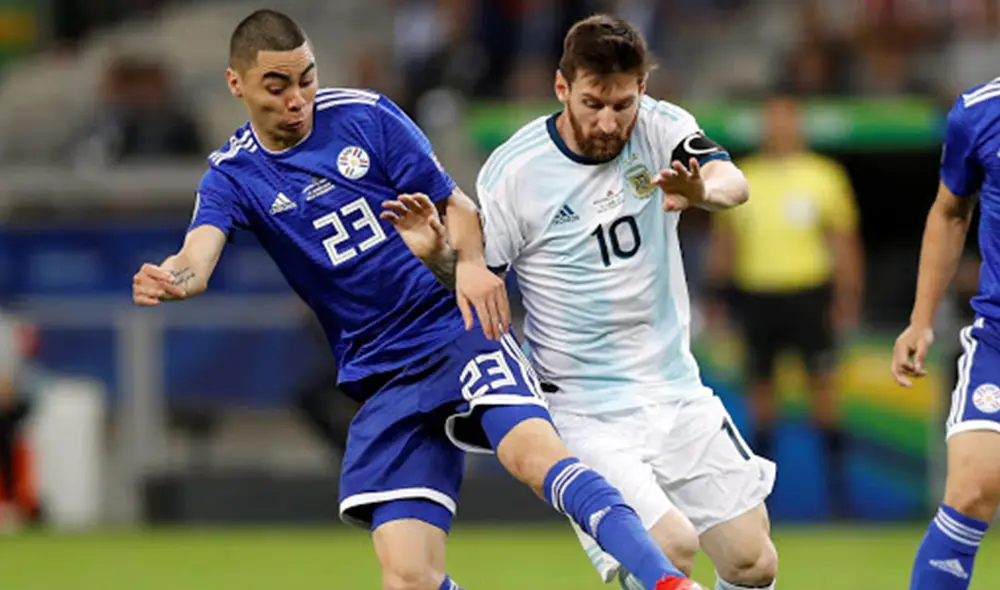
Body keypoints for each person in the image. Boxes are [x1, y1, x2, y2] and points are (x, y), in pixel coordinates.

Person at [130, 9, 701, 590]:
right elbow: (196, 257)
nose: (298, 98)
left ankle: (666, 582)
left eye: (306, 78)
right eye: (277, 86)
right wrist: (174, 278)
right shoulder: (233, 174)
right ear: (237, 85)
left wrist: (472, 266)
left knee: (534, 458)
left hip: (451, 328)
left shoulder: (365, 116)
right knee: (408, 577)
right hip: (380, 374)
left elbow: (456, 205)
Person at [476, 14, 777, 590]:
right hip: (585, 409)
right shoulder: (514, 172)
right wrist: (447, 258)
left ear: (642, 88)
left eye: (623, 104)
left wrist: (702, 191)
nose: (609, 122)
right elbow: (479, 273)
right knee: (670, 547)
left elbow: (732, 182)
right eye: (593, 104)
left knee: (752, 562)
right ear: (562, 88)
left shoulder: (662, 128)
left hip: (675, 391)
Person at [705, 95, 863, 519]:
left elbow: (843, 242)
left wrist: (846, 301)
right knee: (761, 406)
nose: (779, 129)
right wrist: (716, 301)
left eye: (786, 121)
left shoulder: (823, 175)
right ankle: (761, 507)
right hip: (757, 299)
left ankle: (841, 501)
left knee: (825, 401)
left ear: (798, 126)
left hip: (809, 297)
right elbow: (726, 243)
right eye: (772, 121)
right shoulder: (743, 176)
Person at [891, 79, 1000, 590]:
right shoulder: (978, 113)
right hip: (999, 338)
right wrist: (921, 319)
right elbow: (950, 210)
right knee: (972, 489)